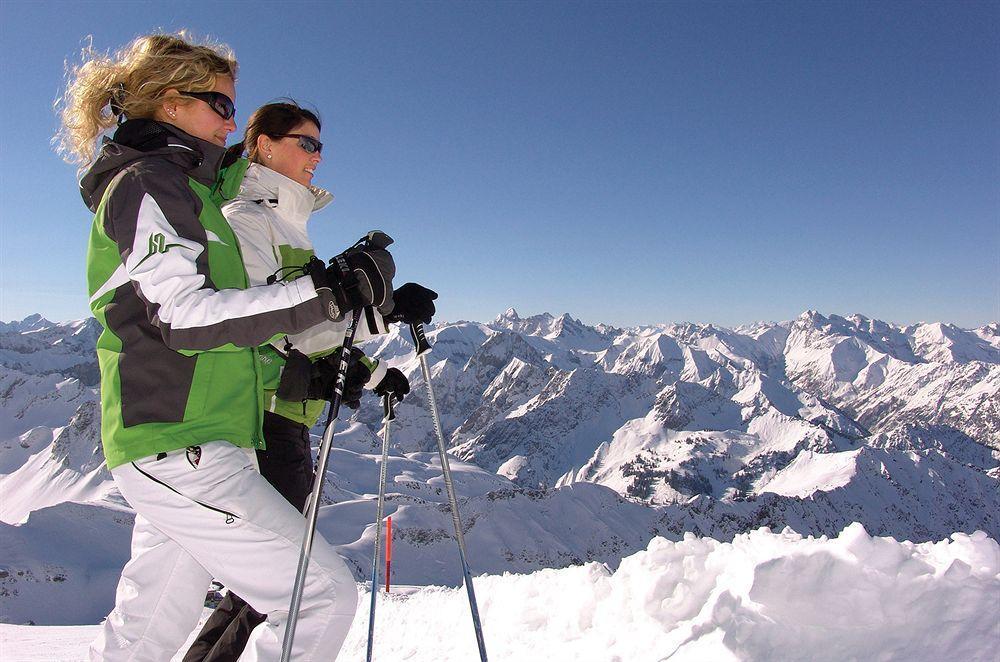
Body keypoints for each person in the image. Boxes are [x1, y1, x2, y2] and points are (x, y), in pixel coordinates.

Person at [57, 32, 395, 661]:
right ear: (168, 103)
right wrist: (329, 292)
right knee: (320, 596)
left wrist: (356, 317)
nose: (232, 122)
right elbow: (183, 317)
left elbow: (260, 325)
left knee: (151, 623)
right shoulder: (149, 184)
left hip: (201, 435)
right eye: (218, 105)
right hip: (179, 438)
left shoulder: (194, 194)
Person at [183, 102, 434, 661]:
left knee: (264, 586)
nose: (317, 157)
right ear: (263, 145)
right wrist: (375, 310)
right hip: (263, 418)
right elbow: (277, 326)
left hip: (282, 418)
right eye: (305, 143)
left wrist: (377, 335)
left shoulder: (282, 220)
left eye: (320, 145)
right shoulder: (249, 219)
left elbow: (310, 329)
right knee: (285, 584)